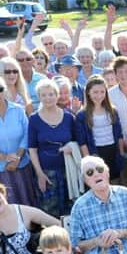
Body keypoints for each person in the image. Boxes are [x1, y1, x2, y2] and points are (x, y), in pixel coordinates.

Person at [0, 75, 37, 206]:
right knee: (8, 202)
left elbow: (27, 134)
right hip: (0, 167)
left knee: (28, 198)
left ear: (5, 90)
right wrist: (5, 158)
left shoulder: (18, 110)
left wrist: (17, 157)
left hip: (22, 163)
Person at [28, 79, 75, 218]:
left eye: (51, 94)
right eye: (43, 95)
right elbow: (32, 149)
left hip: (68, 170)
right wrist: (40, 174)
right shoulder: (34, 119)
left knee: (70, 206)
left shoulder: (68, 117)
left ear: (57, 95)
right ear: (39, 97)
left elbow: (76, 141)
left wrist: (71, 147)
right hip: (46, 172)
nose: (48, 98)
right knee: (49, 209)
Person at [75, 75, 124, 180]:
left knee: (114, 181)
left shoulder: (112, 111)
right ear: (88, 92)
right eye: (95, 92)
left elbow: (119, 135)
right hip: (95, 152)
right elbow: (82, 142)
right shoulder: (82, 115)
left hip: (113, 151)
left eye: (102, 92)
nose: (99, 95)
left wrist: (121, 154)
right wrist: (89, 161)